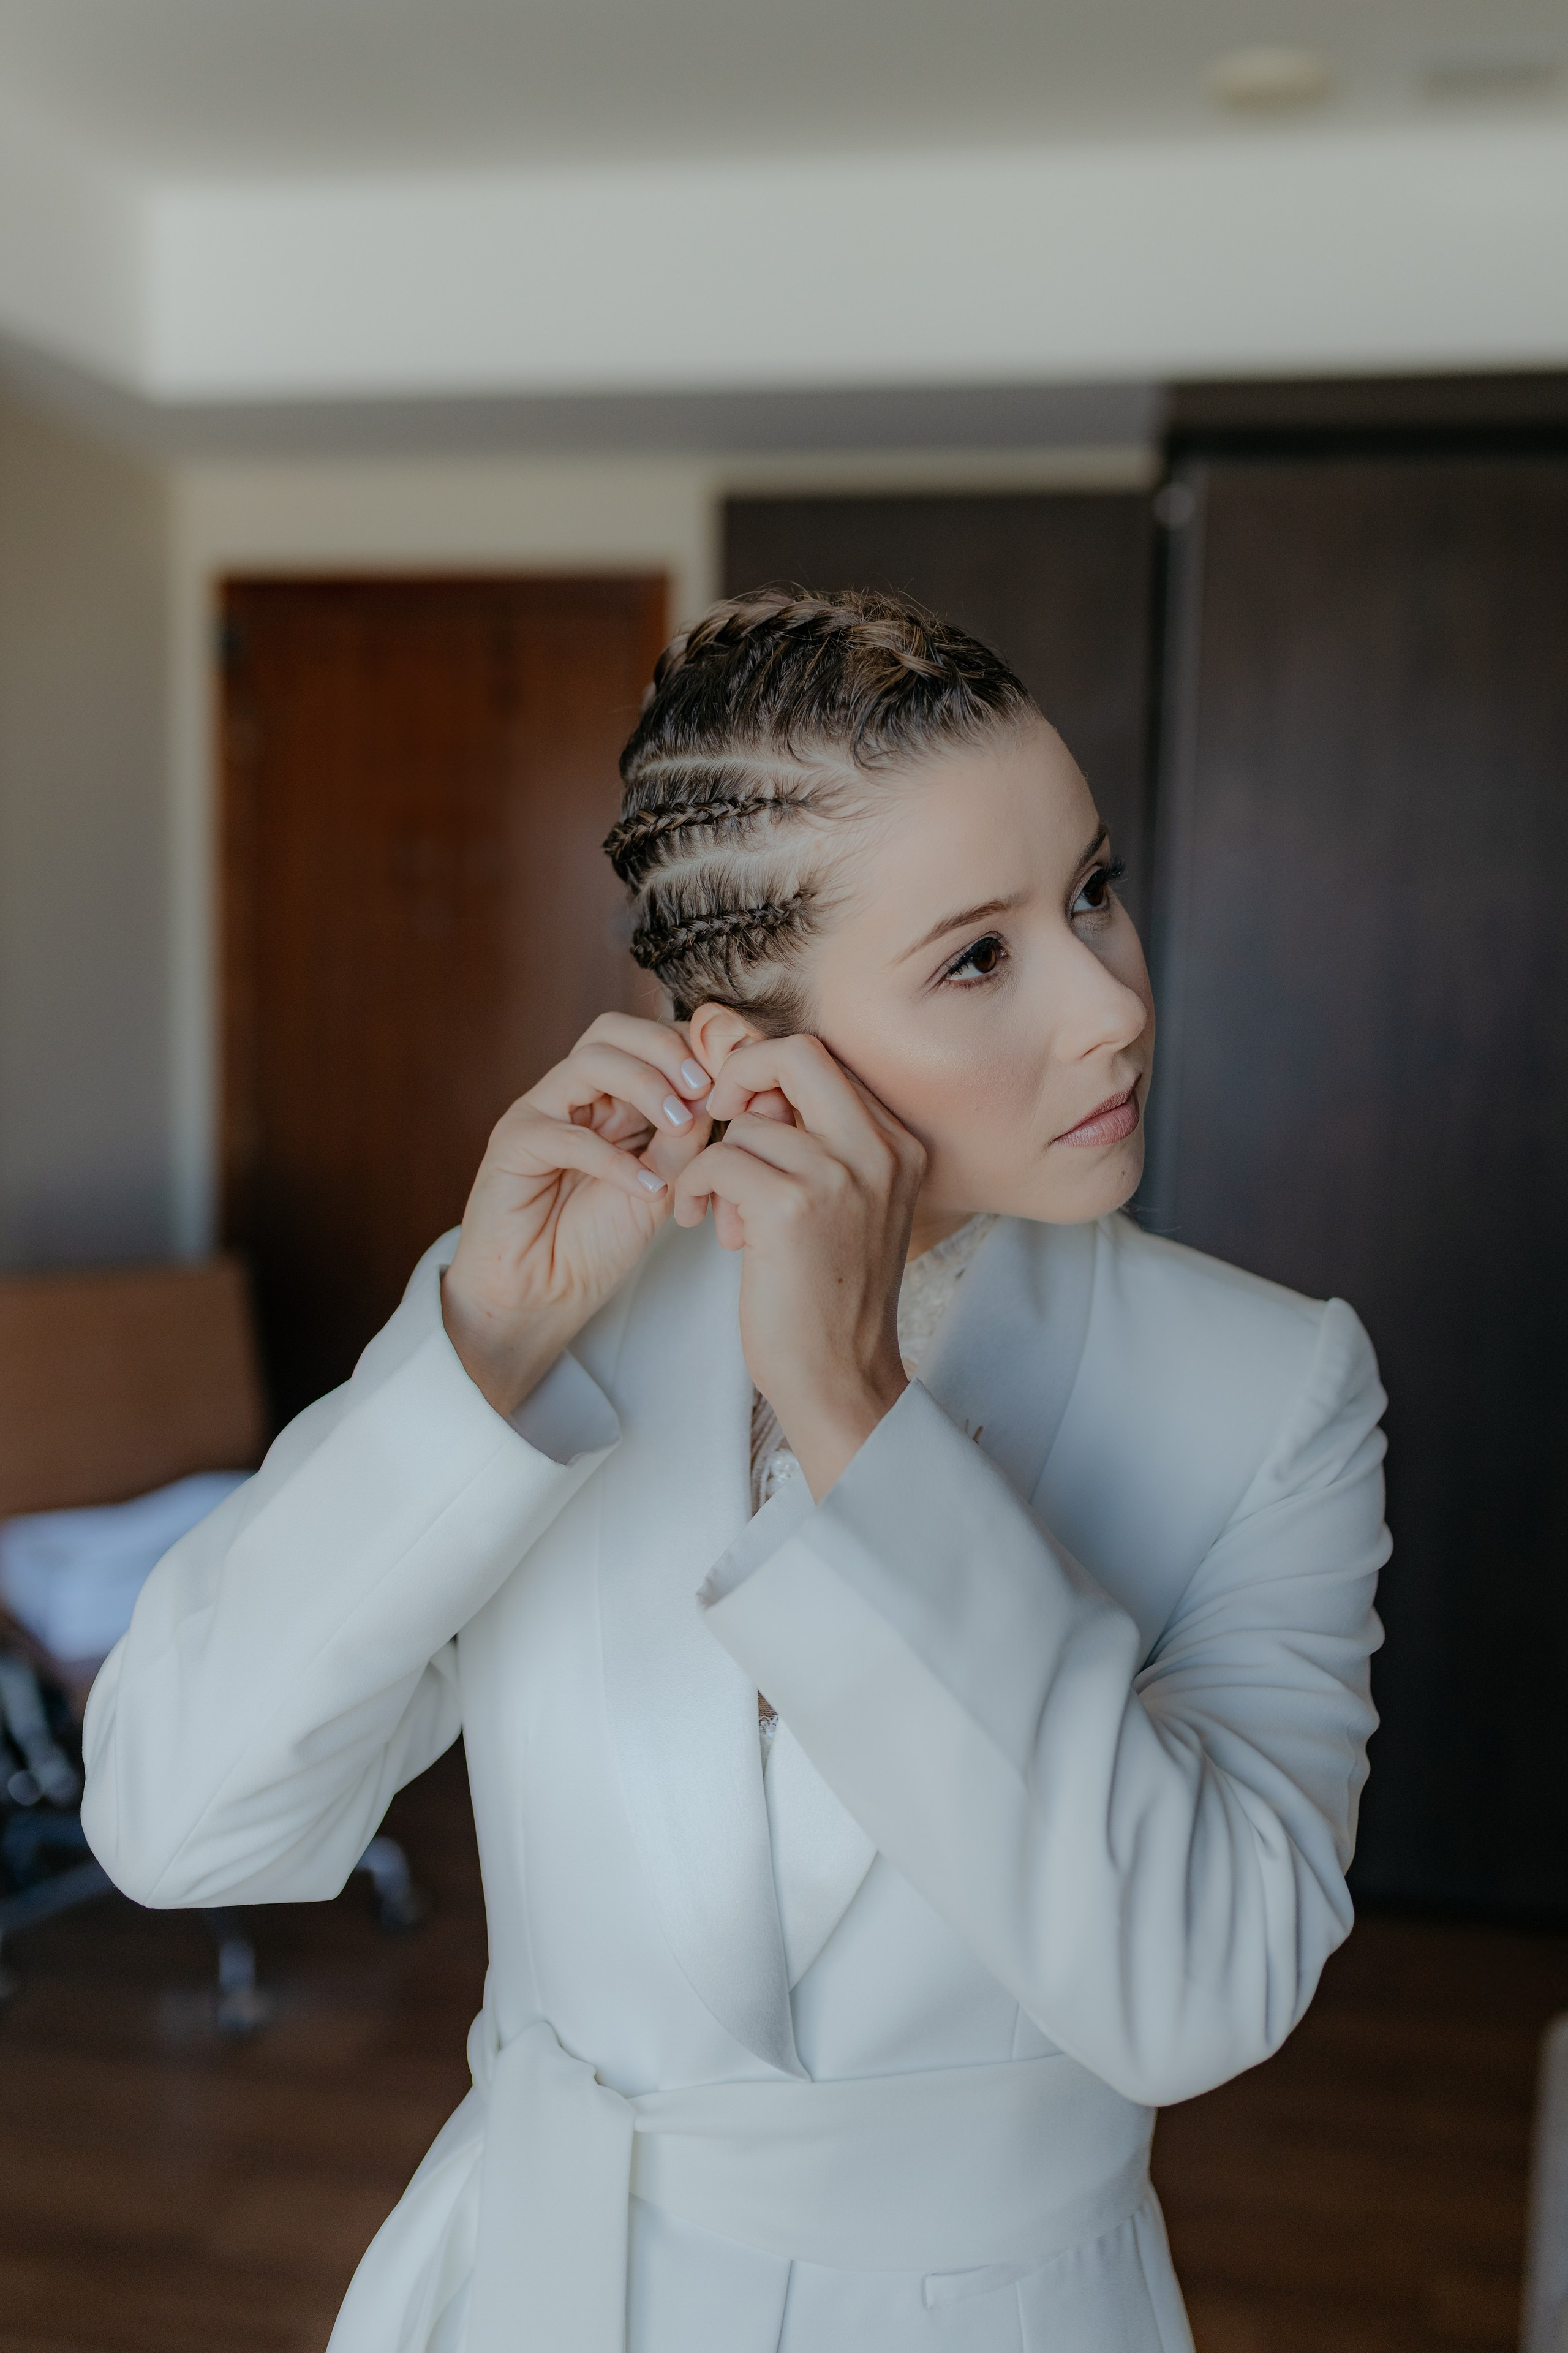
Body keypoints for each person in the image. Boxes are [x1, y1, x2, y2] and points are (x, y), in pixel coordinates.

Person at [81, 590, 1389, 2353]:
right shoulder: (558, 1328)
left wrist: (861, 1420)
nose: (1113, 1001)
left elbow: (1203, 1986)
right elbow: (174, 1822)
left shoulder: (1273, 1386)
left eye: (1092, 888)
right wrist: (477, 1353)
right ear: (743, 1047)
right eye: (979, 955)